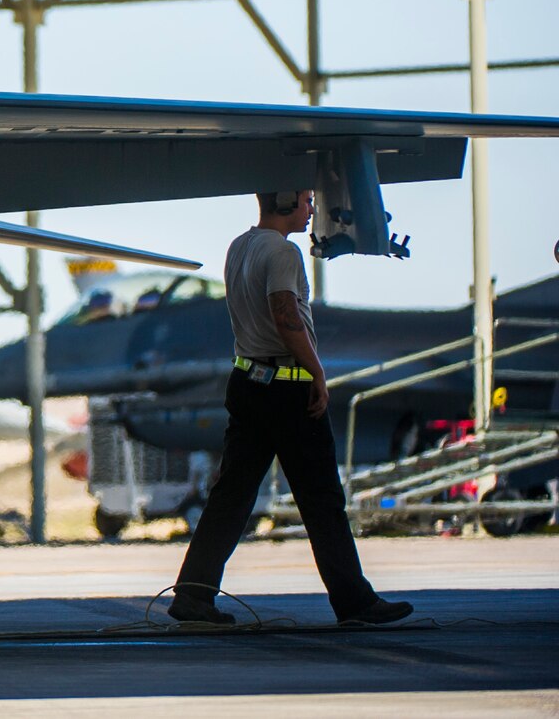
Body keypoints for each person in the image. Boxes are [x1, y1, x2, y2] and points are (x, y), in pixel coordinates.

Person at [170, 190, 412, 627]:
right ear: (285, 202)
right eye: (306, 200)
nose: (313, 210)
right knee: (322, 500)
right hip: (287, 389)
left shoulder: (240, 245)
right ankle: (354, 601)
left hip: (247, 381)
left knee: (231, 497)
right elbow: (286, 316)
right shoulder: (283, 252)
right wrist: (317, 372)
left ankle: (193, 594)